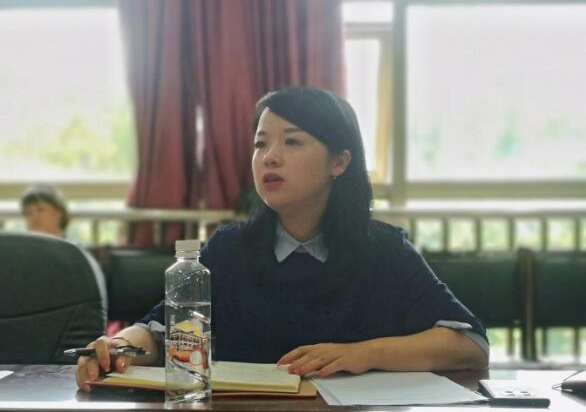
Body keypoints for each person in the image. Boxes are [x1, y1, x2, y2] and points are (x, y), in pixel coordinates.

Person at [76, 87, 489, 390]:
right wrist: (120, 345)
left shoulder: (384, 250)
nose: (269, 157)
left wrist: (362, 353)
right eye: (261, 144)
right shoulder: (229, 249)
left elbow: (469, 343)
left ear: (339, 161)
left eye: (292, 141)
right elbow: (161, 332)